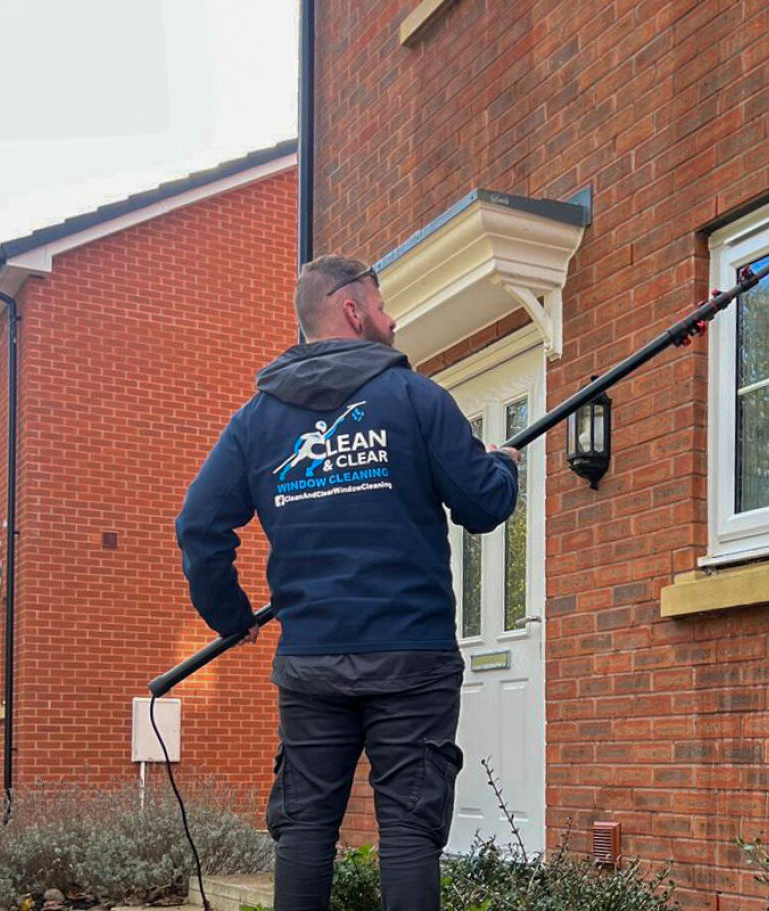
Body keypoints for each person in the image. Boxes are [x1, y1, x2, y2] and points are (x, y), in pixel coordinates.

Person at [175, 254, 521, 911]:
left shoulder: (257, 422)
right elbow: (483, 504)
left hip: (312, 660)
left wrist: (230, 615)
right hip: (412, 657)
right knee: (410, 830)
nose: (394, 320)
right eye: (384, 305)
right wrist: (502, 465)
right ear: (354, 310)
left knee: (305, 827)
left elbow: (198, 525)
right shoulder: (416, 400)